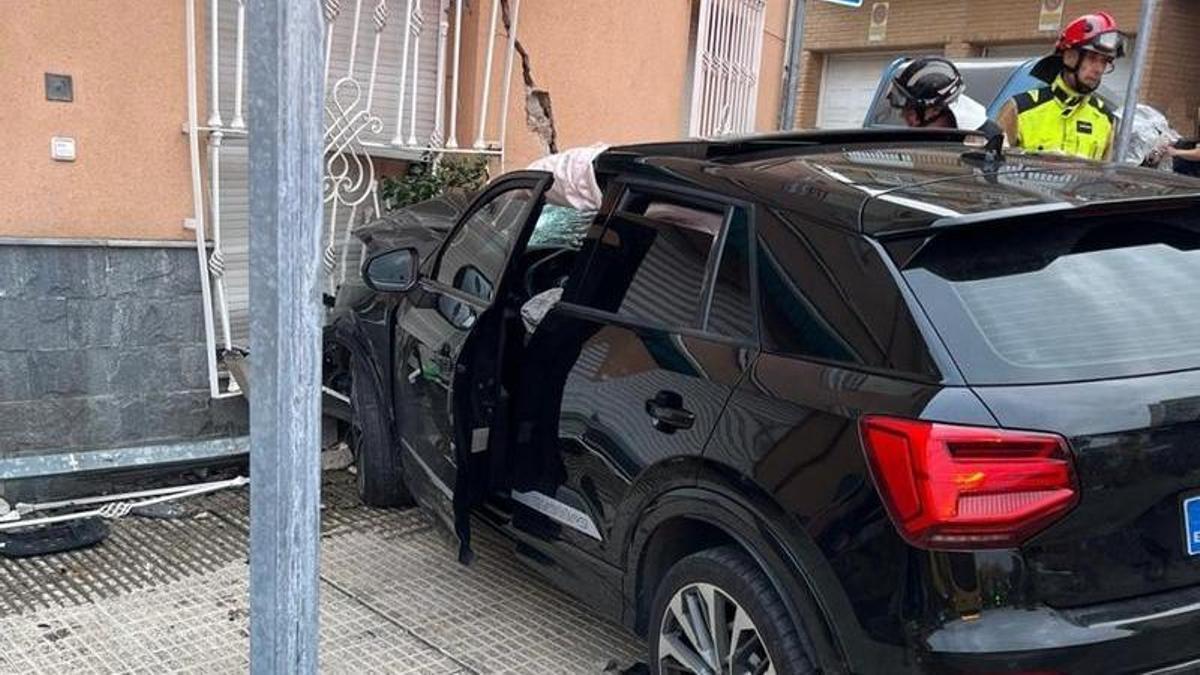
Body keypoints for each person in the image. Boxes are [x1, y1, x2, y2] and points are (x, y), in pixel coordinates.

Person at [996, 12, 1127, 161]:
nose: (1098, 69)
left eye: (1104, 61)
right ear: (1069, 57)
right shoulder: (1020, 109)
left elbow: (1105, 178)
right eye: (1092, 58)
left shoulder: (1106, 119)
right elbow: (990, 169)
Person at [888, 56, 1002, 139]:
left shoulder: (986, 142)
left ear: (936, 110)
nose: (903, 116)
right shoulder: (931, 138)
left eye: (910, 111)